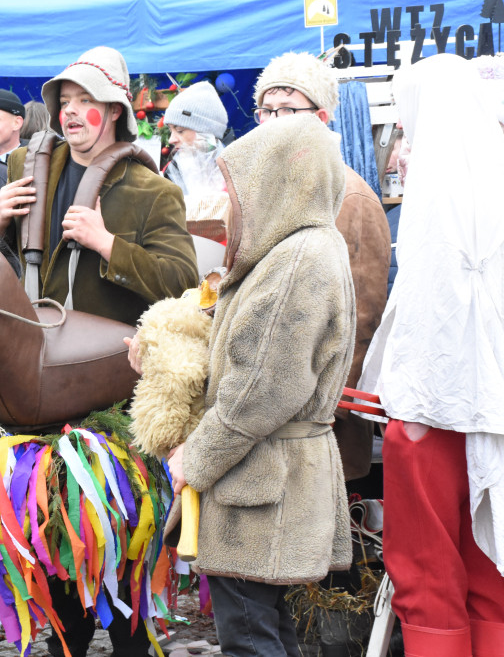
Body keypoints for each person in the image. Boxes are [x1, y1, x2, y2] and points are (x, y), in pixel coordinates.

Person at [0, 46, 197, 656]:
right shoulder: (26, 167)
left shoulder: (151, 190)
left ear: (116, 112)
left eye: (87, 103)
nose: (73, 113)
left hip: (114, 402)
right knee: (54, 564)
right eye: (65, 102)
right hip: (38, 402)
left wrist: (108, 244)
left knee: (123, 569)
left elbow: (183, 282)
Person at [156, 114, 354, 657]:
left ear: (274, 182)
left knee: (249, 635)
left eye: (235, 182)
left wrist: (192, 460)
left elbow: (256, 396)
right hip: (268, 481)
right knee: (265, 631)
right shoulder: (306, 248)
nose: (226, 194)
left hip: (261, 487)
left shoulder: (295, 264)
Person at [357, 53, 504, 657]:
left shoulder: (433, 186)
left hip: (427, 414)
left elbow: (423, 318)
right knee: (491, 578)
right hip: (491, 410)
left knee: (428, 581)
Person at [253, 51, 391, 482]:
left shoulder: (351, 197)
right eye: (267, 110)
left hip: (321, 422)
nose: (275, 121)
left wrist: (329, 405)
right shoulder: (261, 191)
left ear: (323, 116)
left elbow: (362, 320)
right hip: (264, 413)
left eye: (289, 109)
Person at [162, 81, 230, 238]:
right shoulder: (170, 173)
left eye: (180, 130)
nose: (172, 139)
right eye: (171, 130)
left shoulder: (238, 170)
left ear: (206, 133)